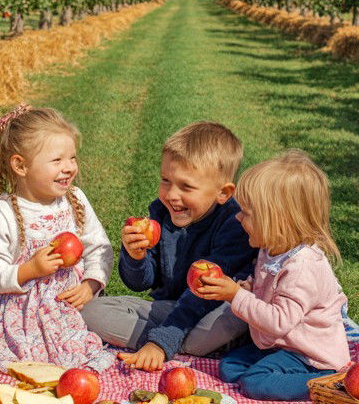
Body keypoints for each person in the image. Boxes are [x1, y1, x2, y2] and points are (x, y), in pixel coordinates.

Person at [82, 121, 256, 369]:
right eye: (166, 180)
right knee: (91, 311)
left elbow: (201, 298)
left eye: (186, 186)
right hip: (171, 308)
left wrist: (161, 343)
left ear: (223, 193)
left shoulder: (233, 224)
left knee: (235, 317)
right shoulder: (161, 212)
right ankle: (187, 343)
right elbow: (140, 283)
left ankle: (173, 342)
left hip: (213, 312)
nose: (171, 195)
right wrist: (136, 257)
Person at [0, 104, 116, 372]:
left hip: (67, 304)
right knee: (19, 358)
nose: (69, 167)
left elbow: (99, 248)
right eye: (57, 160)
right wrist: (28, 270)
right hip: (20, 311)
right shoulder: (3, 213)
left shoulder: (75, 200)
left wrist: (91, 285)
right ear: (21, 165)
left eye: (72, 158)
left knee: (79, 351)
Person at [196, 148, 348, 401]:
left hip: (311, 357)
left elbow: (279, 321)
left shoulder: (303, 267)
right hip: (282, 345)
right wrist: (249, 290)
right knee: (229, 366)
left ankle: (330, 385)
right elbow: (273, 294)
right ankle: (277, 377)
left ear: (277, 220)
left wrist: (236, 297)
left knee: (255, 383)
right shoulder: (272, 249)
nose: (237, 217)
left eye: (247, 213)